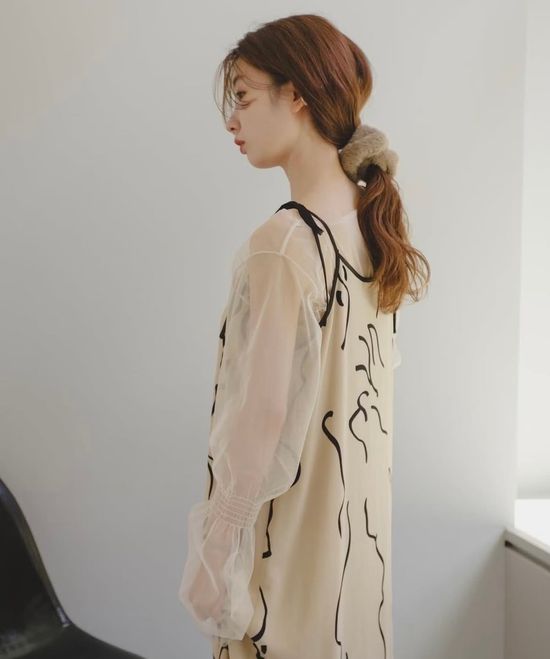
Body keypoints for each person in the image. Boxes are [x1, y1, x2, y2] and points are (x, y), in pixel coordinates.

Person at [178, 13, 430, 659]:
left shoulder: (284, 244)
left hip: (284, 576)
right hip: (354, 575)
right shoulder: (370, 228)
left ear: (296, 95)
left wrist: (217, 554)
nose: (231, 121)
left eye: (243, 96)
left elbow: (260, 421)